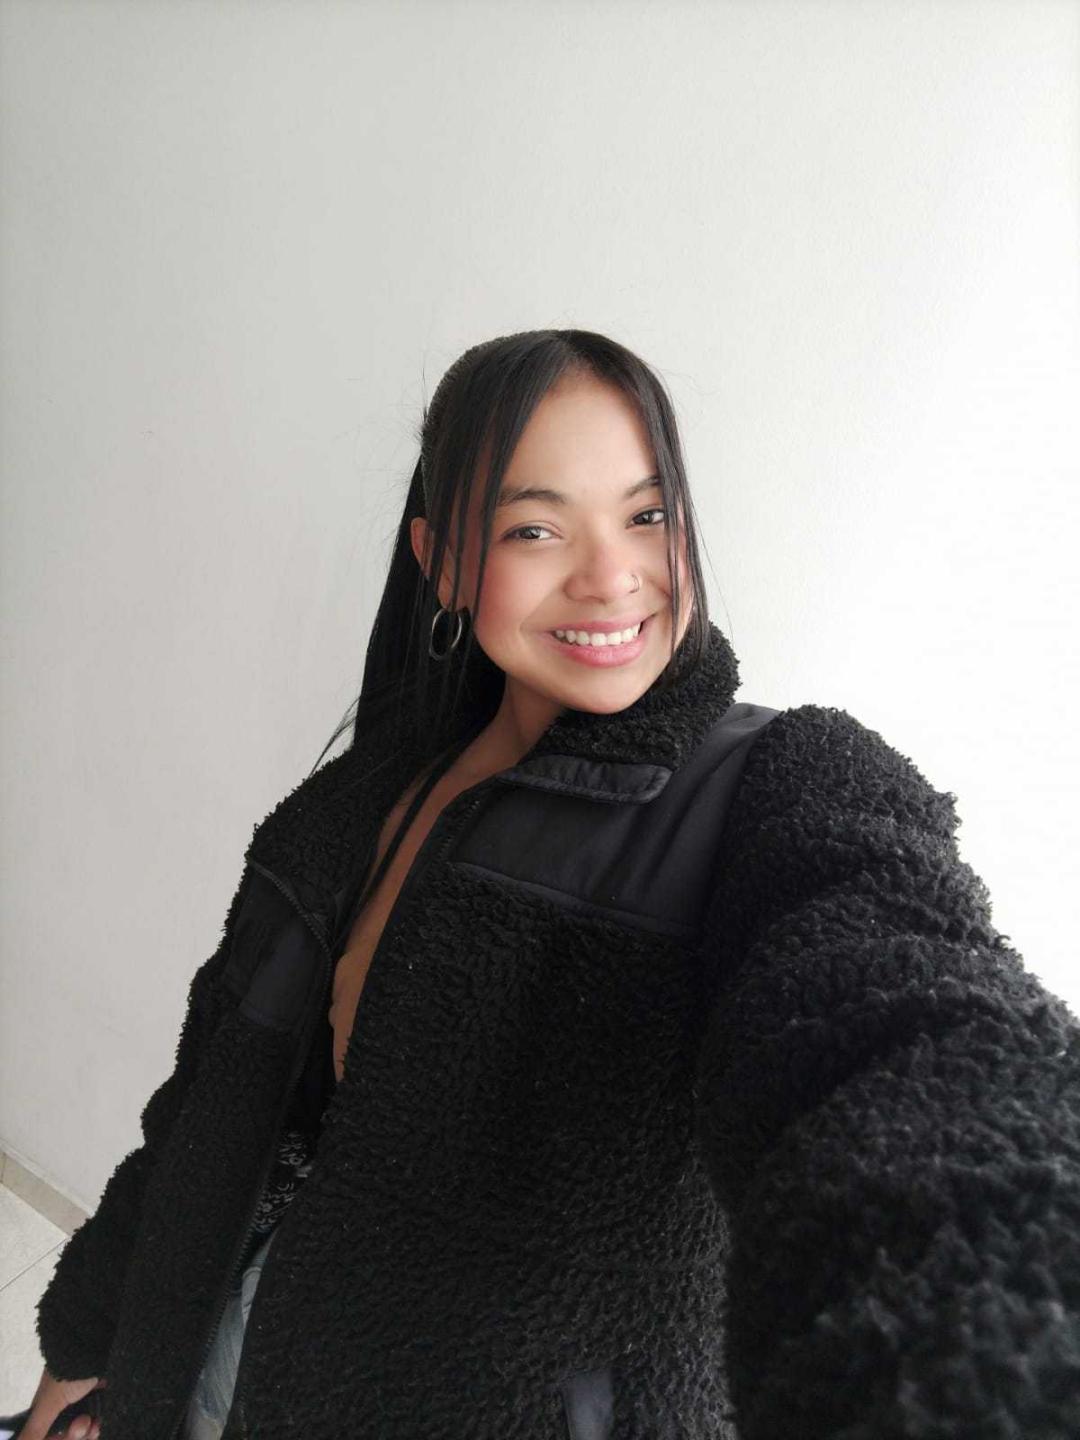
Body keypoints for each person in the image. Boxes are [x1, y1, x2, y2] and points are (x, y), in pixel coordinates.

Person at [22, 330, 1080, 1439]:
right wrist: (88, 1345)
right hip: (222, 1368)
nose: (612, 575)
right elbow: (203, 1114)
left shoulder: (785, 788)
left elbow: (903, 1045)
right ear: (441, 560)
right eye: (536, 527)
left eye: (647, 514)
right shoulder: (348, 808)